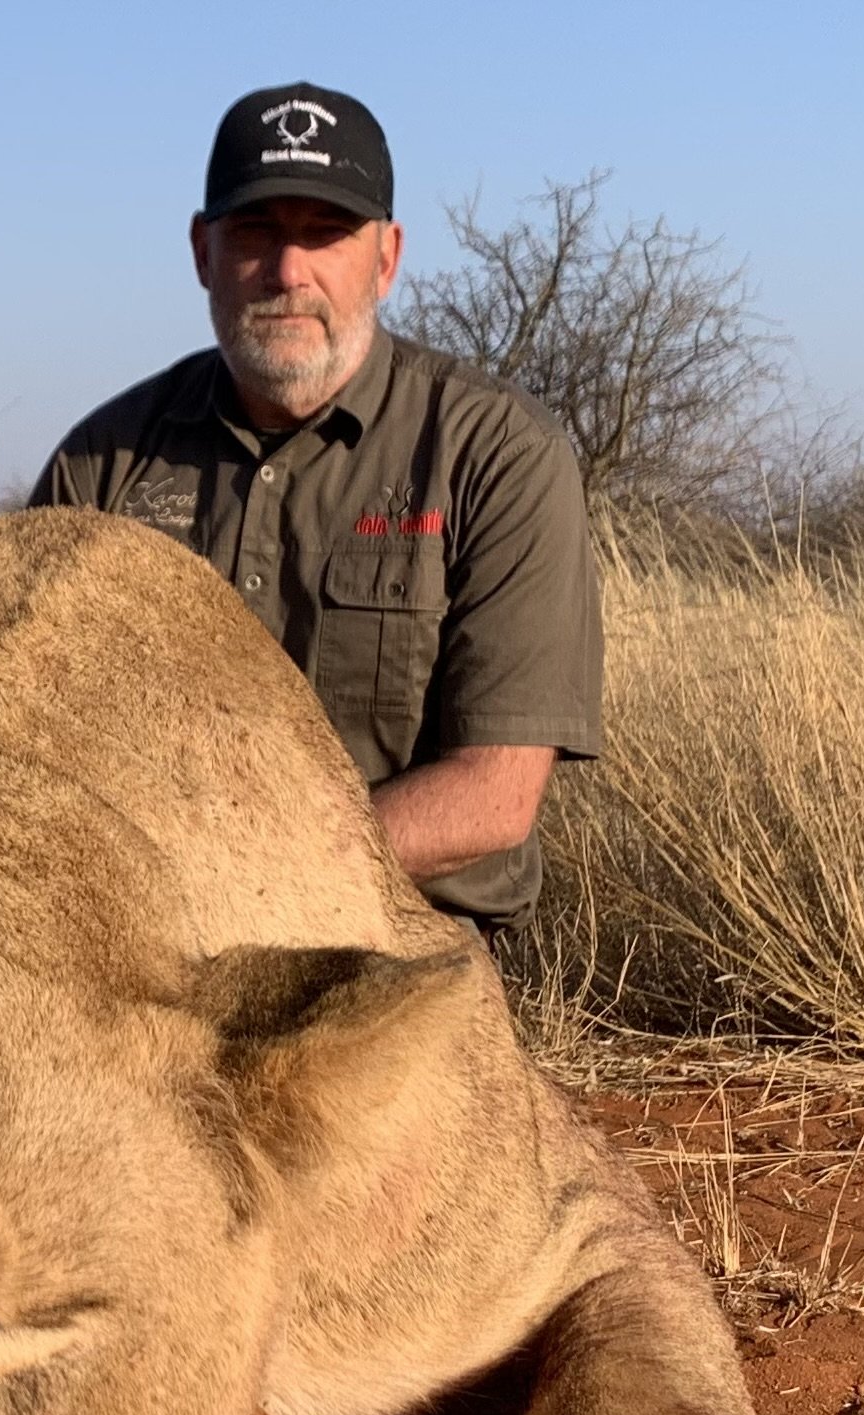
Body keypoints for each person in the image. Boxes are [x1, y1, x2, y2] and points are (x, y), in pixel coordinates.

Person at [30, 84, 601, 926]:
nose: (288, 271)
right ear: (202, 252)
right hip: (151, 929)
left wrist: (245, 878)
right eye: (256, 231)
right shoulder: (99, 467)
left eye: (325, 234)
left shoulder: (501, 454)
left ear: (387, 256)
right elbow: (33, 746)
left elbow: (495, 797)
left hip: (395, 938)